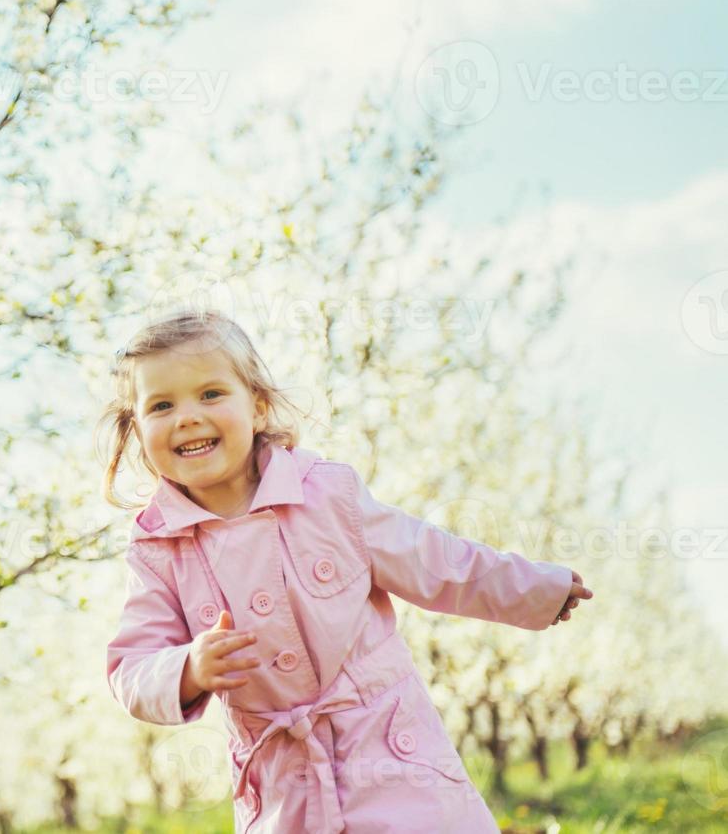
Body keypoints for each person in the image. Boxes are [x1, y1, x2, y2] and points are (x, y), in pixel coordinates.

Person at [98, 308, 592, 833]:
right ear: (136, 430)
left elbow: (431, 558)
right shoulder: (157, 545)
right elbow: (131, 665)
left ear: (259, 407)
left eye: (211, 394)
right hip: (285, 782)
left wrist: (533, 590)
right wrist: (188, 669)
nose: (187, 416)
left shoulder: (327, 495)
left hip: (388, 749)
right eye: (161, 405)